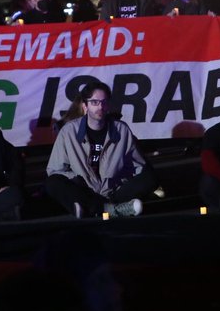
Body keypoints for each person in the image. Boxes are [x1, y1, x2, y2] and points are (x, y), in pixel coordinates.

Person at [45, 81, 157, 218]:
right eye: (95, 103)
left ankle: (94, 208)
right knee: (52, 183)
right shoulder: (69, 132)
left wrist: (121, 180)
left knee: (150, 177)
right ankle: (112, 209)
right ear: (85, 106)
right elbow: (55, 170)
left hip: (114, 190)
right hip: (85, 189)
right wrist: (78, 180)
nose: (100, 107)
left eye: (104, 102)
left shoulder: (121, 130)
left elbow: (137, 166)